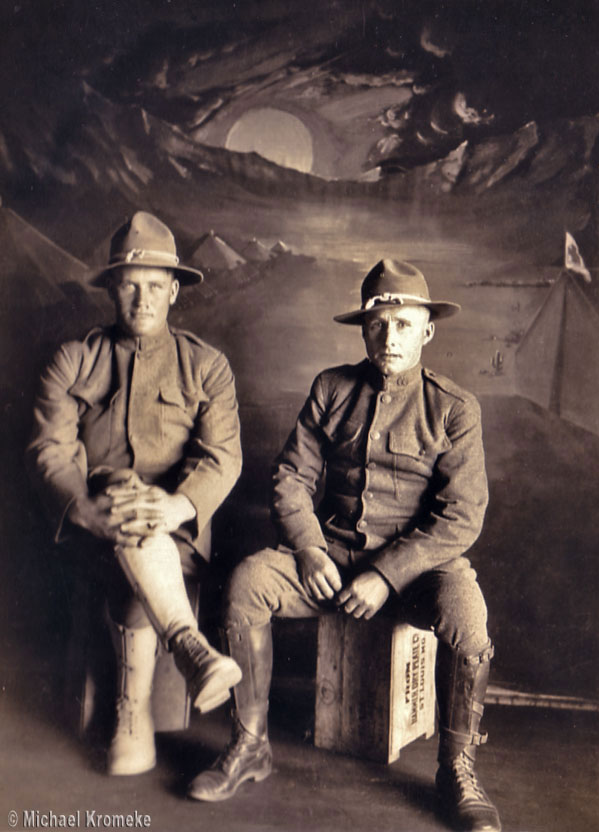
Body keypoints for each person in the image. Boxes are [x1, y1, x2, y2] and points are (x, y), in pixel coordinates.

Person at [188, 259, 501, 832]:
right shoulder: (332, 388)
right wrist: (308, 549)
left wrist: (387, 576)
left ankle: (457, 770)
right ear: (362, 329)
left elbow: (462, 515)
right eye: (379, 325)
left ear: (427, 331)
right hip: (329, 558)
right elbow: (291, 478)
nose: (390, 338)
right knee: (248, 582)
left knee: (468, 615)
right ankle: (250, 744)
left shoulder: (454, 409)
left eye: (404, 325)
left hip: (419, 570)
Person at [27, 211, 243, 776]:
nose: (142, 299)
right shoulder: (74, 360)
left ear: (174, 291)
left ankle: (133, 712)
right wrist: (88, 508)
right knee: (121, 496)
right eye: (130, 285)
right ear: (111, 291)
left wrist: (174, 505)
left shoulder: (207, 367)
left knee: (140, 513)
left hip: (179, 530)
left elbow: (222, 457)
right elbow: (51, 449)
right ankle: (189, 652)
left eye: (154, 286)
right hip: (93, 526)